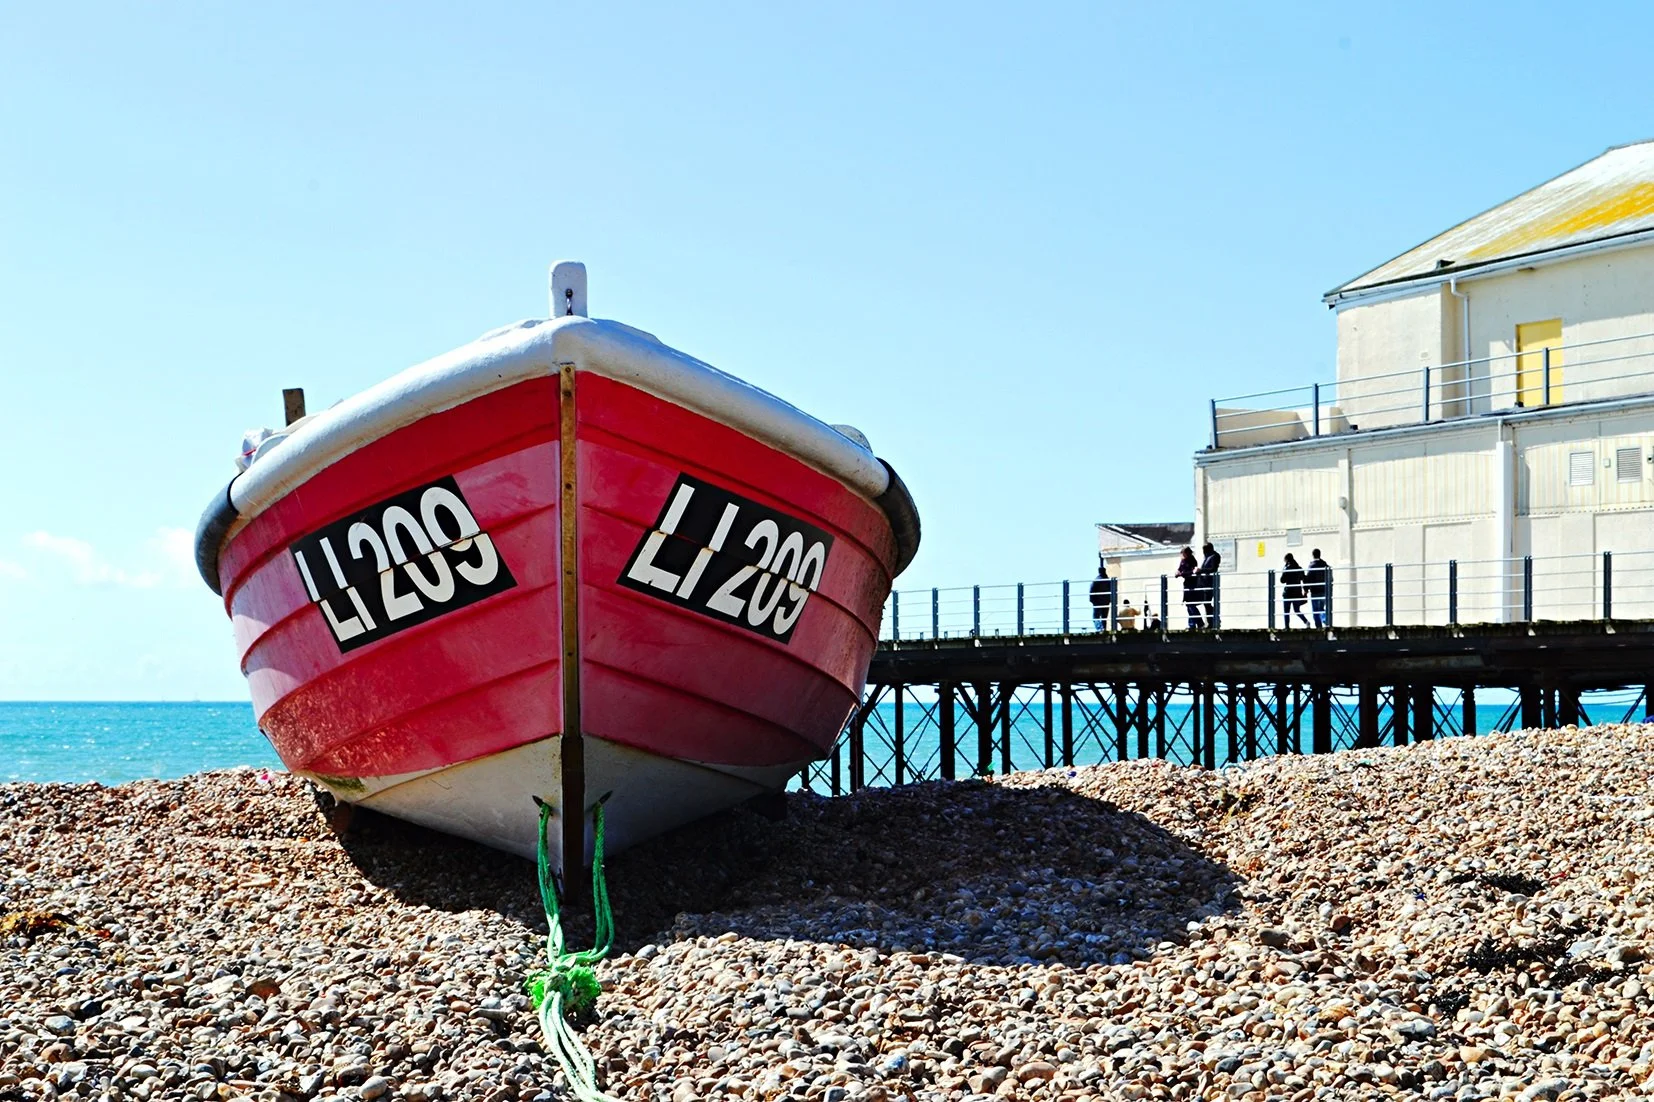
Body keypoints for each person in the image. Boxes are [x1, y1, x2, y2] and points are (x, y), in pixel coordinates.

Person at [1281, 553, 1311, 628]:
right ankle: (1306, 622)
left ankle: (1287, 627)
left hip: (1288, 593)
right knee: (1297, 610)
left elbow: (1282, 580)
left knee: (1286, 611)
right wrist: (1305, 590)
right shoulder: (1299, 568)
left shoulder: (1287, 568)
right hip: (1297, 593)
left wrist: (1284, 568)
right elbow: (1304, 579)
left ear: (1287, 560)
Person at [1197, 541, 1222, 627]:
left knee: (1207, 602)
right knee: (1206, 602)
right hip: (1205, 583)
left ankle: (1213, 621)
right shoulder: (1207, 557)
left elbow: (1212, 569)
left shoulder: (1214, 556)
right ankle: (1212, 621)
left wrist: (1201, 570)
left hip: (1211, 583)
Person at [1176, 546, 1201, 628]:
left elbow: (1191, 572)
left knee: (1191, 604)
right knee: (1188, 605)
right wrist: (1177, 572)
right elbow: (1180, 569)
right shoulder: (1183, 561)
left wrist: (1181, 574)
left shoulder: (1192, 561)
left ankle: (1196, 623)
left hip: (1192, 583)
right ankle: (1194, 624)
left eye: (1183, 553)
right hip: (1187, 584)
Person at [1307, 548, 1332, 627]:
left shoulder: (1311, 566)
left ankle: (1319, 626)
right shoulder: (1325, 565)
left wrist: (1305, 589)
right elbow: (1330, 578)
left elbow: (1308, 578)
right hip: (1324, 591)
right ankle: (1325, 620)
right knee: (1321, 608)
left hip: (1315, 591)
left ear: (1313, 555)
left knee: (1316, 611)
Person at [1088, 557, 1112, 631]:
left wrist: (1093, 601)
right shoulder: (1109, 581)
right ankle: (1103, 629)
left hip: (1097, 602)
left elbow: (1091, 592)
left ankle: (1099, 629)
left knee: (1095, 617)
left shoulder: (1096, 581)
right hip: (1106, 602)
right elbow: (1113, 591)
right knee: (1104, 618)